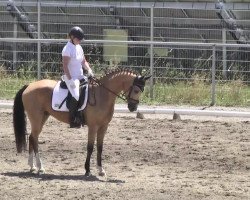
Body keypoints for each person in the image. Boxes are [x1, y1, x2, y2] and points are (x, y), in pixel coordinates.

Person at [62, 26, 94, 128]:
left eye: (80, 39)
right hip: (71, 77)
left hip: (80, 75)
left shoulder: (79, 47)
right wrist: (70, 80)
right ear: (72, 37)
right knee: (76, 95)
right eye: (78, 39)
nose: (79, 41)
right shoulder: (67, 49)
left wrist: (89, 70)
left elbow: (83, 61)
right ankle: (73, 119)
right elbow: (65, 66)